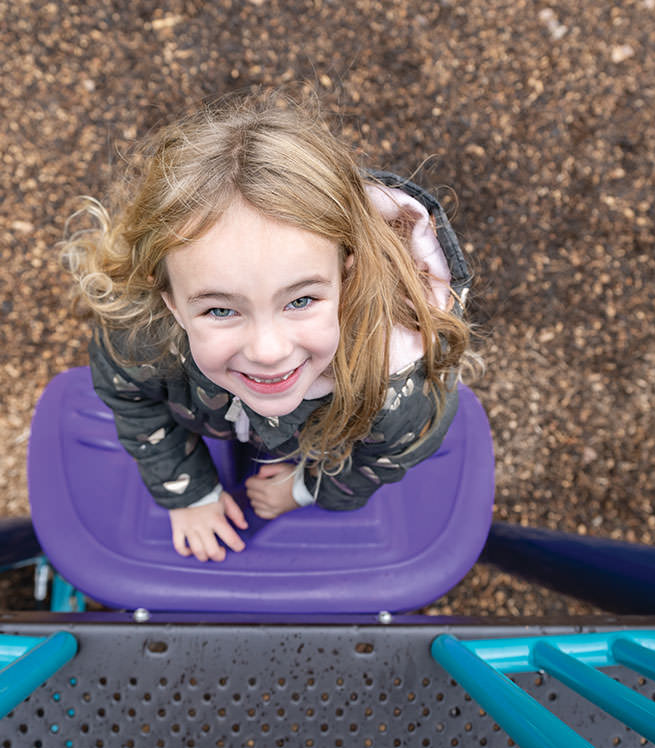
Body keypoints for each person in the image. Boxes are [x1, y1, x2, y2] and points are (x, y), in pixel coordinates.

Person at [62, 90, 474, 563]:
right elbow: (131, 401)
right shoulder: (142, 336)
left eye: (300, 300)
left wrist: (305, 487)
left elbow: (384, 458)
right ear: (170, 301)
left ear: (349, 275)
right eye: (220, 310)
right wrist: (186, 491)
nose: (268, 350)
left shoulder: (398, 389)